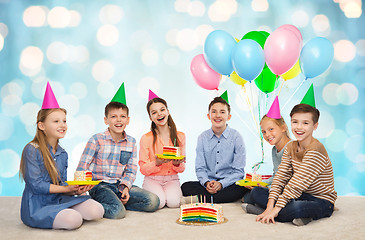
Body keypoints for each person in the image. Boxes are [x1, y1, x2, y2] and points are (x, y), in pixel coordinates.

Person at [20, 82, 104, 230]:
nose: (63, 125)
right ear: (41, 126)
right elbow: (37, 185)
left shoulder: (62, 153)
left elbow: (62, 183)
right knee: (74, 220)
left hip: (60, 199)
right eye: (56, 121)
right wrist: (66, 190)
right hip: (38, 205)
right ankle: (63, 214)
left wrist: (76, 190)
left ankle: (64, 212)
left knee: (97, 210)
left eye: (64, 121)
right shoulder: (31, 149)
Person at [77, 83, 159, 219]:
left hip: (119, 185)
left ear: (128, 120)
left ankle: (116, 202)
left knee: (153, 201)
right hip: (99, 186)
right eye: (113, 116)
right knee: (118, 213)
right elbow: (82, 166)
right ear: (106, 120)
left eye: (122, 116)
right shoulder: (96, 139)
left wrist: (125, 187)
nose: (118, 120)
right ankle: (91, 204)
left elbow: (131, 170)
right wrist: (81, 189)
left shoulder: (131, 142)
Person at [253, 102, 337, 226]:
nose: (299, 127)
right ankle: (274, 212)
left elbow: (297, 183)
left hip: (321, 200)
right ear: (290, 122)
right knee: (256, 192)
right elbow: (281, 176)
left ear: (315, 126)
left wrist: (276, 209)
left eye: (305, 123)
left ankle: (267, 212)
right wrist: (270, 206)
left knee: (296, 208)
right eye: (295, 122)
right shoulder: (291, 147)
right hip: (300, 195)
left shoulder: (316, 149)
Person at [181, 92, 248, 203]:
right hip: (209, 182)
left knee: (241, 188)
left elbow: (238, 172)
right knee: (185, 186)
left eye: (222, 112)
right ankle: (213, 197)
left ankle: (201, 199)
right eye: (214, 112)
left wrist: (221, 184)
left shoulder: (236, 137)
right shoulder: (202, 138)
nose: (217, 115)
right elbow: (200, 168)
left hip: (228, 183)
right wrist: (207, 183)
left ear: (229, 116)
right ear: (209, 116)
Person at [242, 97, 291, 214]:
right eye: (264, 132)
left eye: (271, 129)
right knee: (249, 196)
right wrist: (262, 184)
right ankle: (276, 210)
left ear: (283, 127)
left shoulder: (291, 148)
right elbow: (276, 175)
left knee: (256, 194)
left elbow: (291, 180)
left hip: (290, 191)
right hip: (278, 189)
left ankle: (264, 211)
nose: (267, 134)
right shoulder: (275, 150)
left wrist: (268, 188)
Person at [139, 93, 186, 209]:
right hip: (153, 180)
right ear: (150, 118)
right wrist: (156, 163)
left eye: (162, 110)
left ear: (168, 112)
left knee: (174, 203)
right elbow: (143, 168)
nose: (159, 114)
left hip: (172, 179)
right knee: (158, 203)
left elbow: (182, 168)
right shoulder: (146, 138)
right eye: (154, 112)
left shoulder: (180, 136)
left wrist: (177, 163)